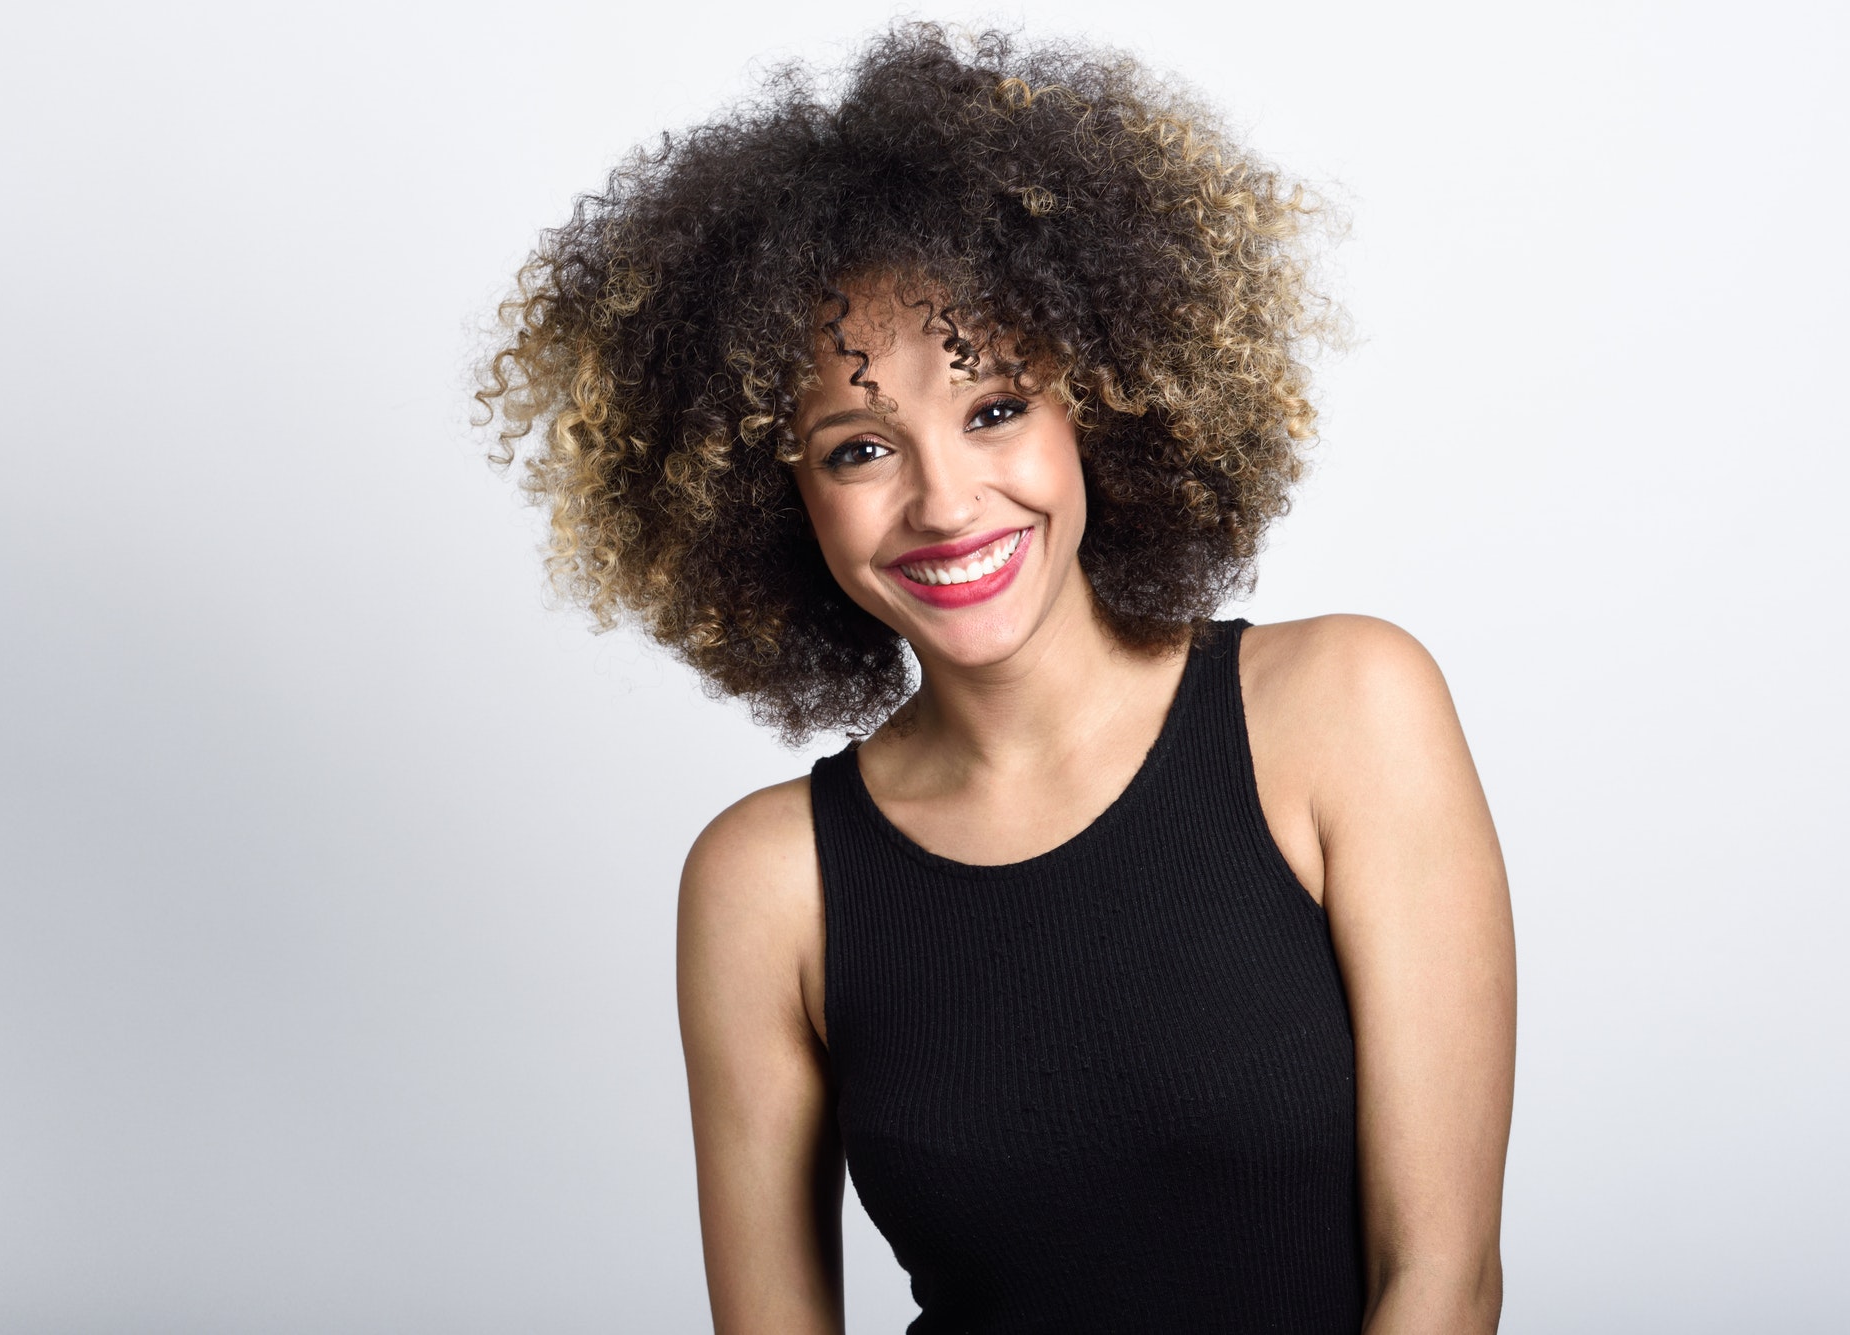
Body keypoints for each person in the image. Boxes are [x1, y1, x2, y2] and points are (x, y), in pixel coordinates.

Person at [479, 23, 1516, 1334]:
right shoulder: (767, 886)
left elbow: (1443, 1277)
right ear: (773, 497)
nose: (945, 501)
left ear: (1098, 399)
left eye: (993, 408)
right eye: (859, 449)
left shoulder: (1347, 711)